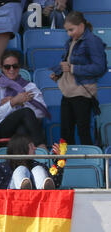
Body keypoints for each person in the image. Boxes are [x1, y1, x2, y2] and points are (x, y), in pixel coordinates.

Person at [50, 11, 107, 145]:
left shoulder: (93, 41)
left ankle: (87, 162)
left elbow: (100, 67)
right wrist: (58, 74)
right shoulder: (71, 41)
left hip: (83, 91)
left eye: (71, 29)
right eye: (67, 31)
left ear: (81, 26)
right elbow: (67, 62)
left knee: (83, 131)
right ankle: (64, 163)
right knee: (65, 131)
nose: (69, 33)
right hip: (68, 92)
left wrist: (73, 69)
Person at [0, 50, 49, 149]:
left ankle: (21, 162)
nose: (11, 69)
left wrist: (21, 103)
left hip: (25, 129)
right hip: (3, 129)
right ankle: (41, 147)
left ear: (19, 67)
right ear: (2, 68)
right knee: (25, 112)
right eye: (7, 67)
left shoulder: (30, 86)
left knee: (22, 127)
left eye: (15, 66)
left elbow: (41, 112)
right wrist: (13, 102)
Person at [0, 134, 64, 189]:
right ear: (22, 148)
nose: (35, 148)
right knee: (21, 169)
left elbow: (56, 183)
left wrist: (59, 160)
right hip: (14, 198)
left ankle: (44, 190)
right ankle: (23, 188)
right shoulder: (2, 167)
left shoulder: (39, 165)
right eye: (31, 145)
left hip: (37, 198)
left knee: (38, 169)